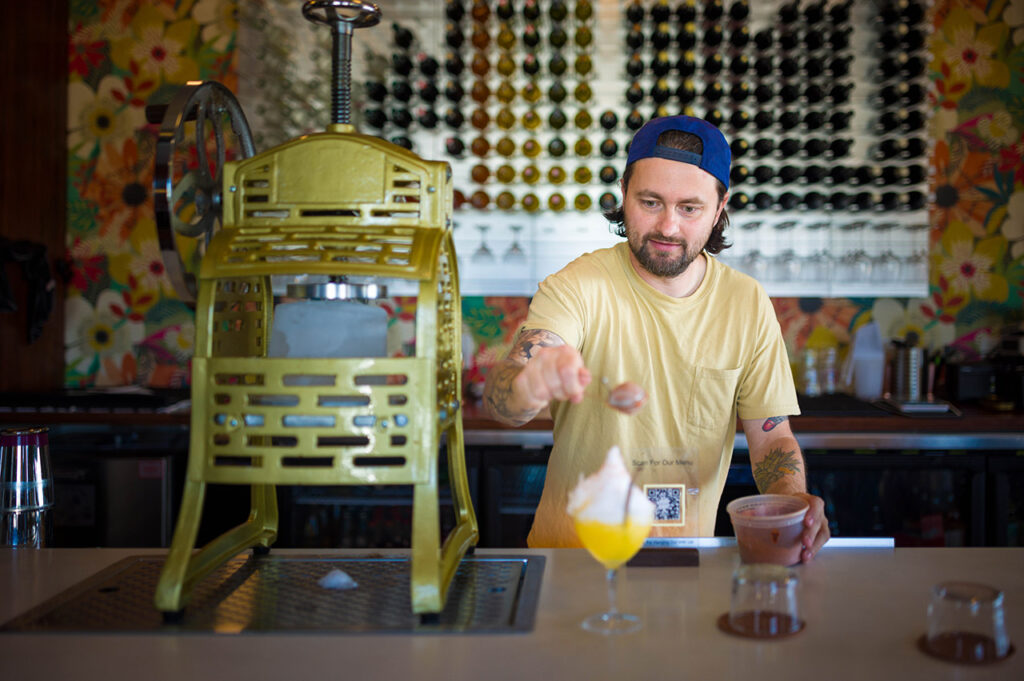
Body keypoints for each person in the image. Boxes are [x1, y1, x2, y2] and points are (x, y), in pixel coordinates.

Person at [483, 115, 830, 561]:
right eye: (650, 202)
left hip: (686, 559)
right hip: (573, 560)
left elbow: (771, 438)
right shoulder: (578, 286)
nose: (668, 226)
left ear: (720, 206)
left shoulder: (746, 303)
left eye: (690, 208)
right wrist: (529, 383)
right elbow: (503, 399)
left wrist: (790, 499)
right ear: (623, 193)